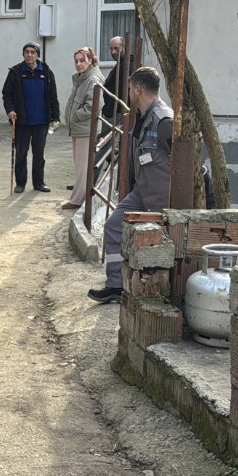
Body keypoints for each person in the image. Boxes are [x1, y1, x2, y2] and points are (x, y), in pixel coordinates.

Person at [89, 67, 173, 304]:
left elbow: (185, 161)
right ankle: (115, 286)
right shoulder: (144, 115)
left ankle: (161, 291)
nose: (127, 93)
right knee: (113, 226)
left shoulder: (164, 120)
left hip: (161, 199)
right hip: (141, 193)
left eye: (129, 88)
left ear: (138, 89)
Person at [1, 42, 59, 193]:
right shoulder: (16, 72)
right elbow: (7, 94)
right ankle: (20, 183)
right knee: (21, 153)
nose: (29, 55)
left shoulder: (46, 72)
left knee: (39, 154)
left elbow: (53, 95)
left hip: (41, 122)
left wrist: (55, 116)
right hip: (22, 122)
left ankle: (39, 183)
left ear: (37, 55)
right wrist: (10, 110)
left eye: (33, 52)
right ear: (23, 54)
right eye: (26, 52)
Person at [62, 47, 106, 210]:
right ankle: (81, 197)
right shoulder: (83, 78)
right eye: (76, 61)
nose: (78, 64)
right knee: (81, 165)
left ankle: (77, 200)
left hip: (85, 129)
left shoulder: (92, 78)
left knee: (82, 166)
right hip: (80, 128)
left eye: (82, 60)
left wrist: (75, 116)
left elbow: (95, 104)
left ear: (91, 61)